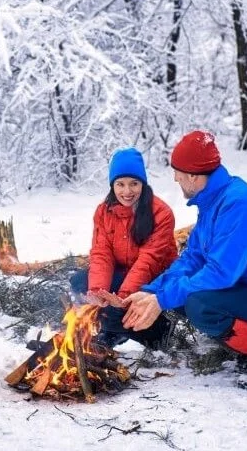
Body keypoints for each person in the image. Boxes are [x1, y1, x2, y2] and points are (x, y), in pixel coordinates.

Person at [121, 130, 247, 391]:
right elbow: (193, 258)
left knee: (200, 305)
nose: (176, 178)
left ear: (193, 175)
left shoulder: (237, 203)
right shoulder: (214, 201)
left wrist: (161, 300)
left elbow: (220, 273)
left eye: (178, 173)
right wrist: (151, 292)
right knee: (181, 297)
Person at [70, 147, 177, 349]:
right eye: (120, 184)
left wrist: (123, 296)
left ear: (143, 184)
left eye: (134, 184)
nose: (127, 192)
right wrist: (98, 291)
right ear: (113, 185)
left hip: (156, 277)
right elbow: (102, 253)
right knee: (80, 282)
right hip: (124, 270)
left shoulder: (161, 213)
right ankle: (114, 329)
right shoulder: (104, 211)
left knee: (119, 305)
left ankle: (158, 331)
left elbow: (149, 261)